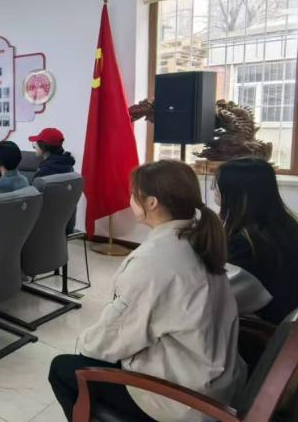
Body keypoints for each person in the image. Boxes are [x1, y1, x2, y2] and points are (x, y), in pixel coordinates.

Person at [48, 160, 245, 422]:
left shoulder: (155, 261)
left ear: (151, 203)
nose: (129, 199)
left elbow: (113, 335)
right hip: (211, 379)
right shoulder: (197, 239)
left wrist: (84, 344)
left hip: (183, 399)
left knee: (63, 369)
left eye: (133, 194)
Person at [215, 158, 298, 324]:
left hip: (268, 332)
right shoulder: (284, 227)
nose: (214, 191)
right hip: (297, 324)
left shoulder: (246, 245)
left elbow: (220, 302)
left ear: (236, 194)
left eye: (217, 187)